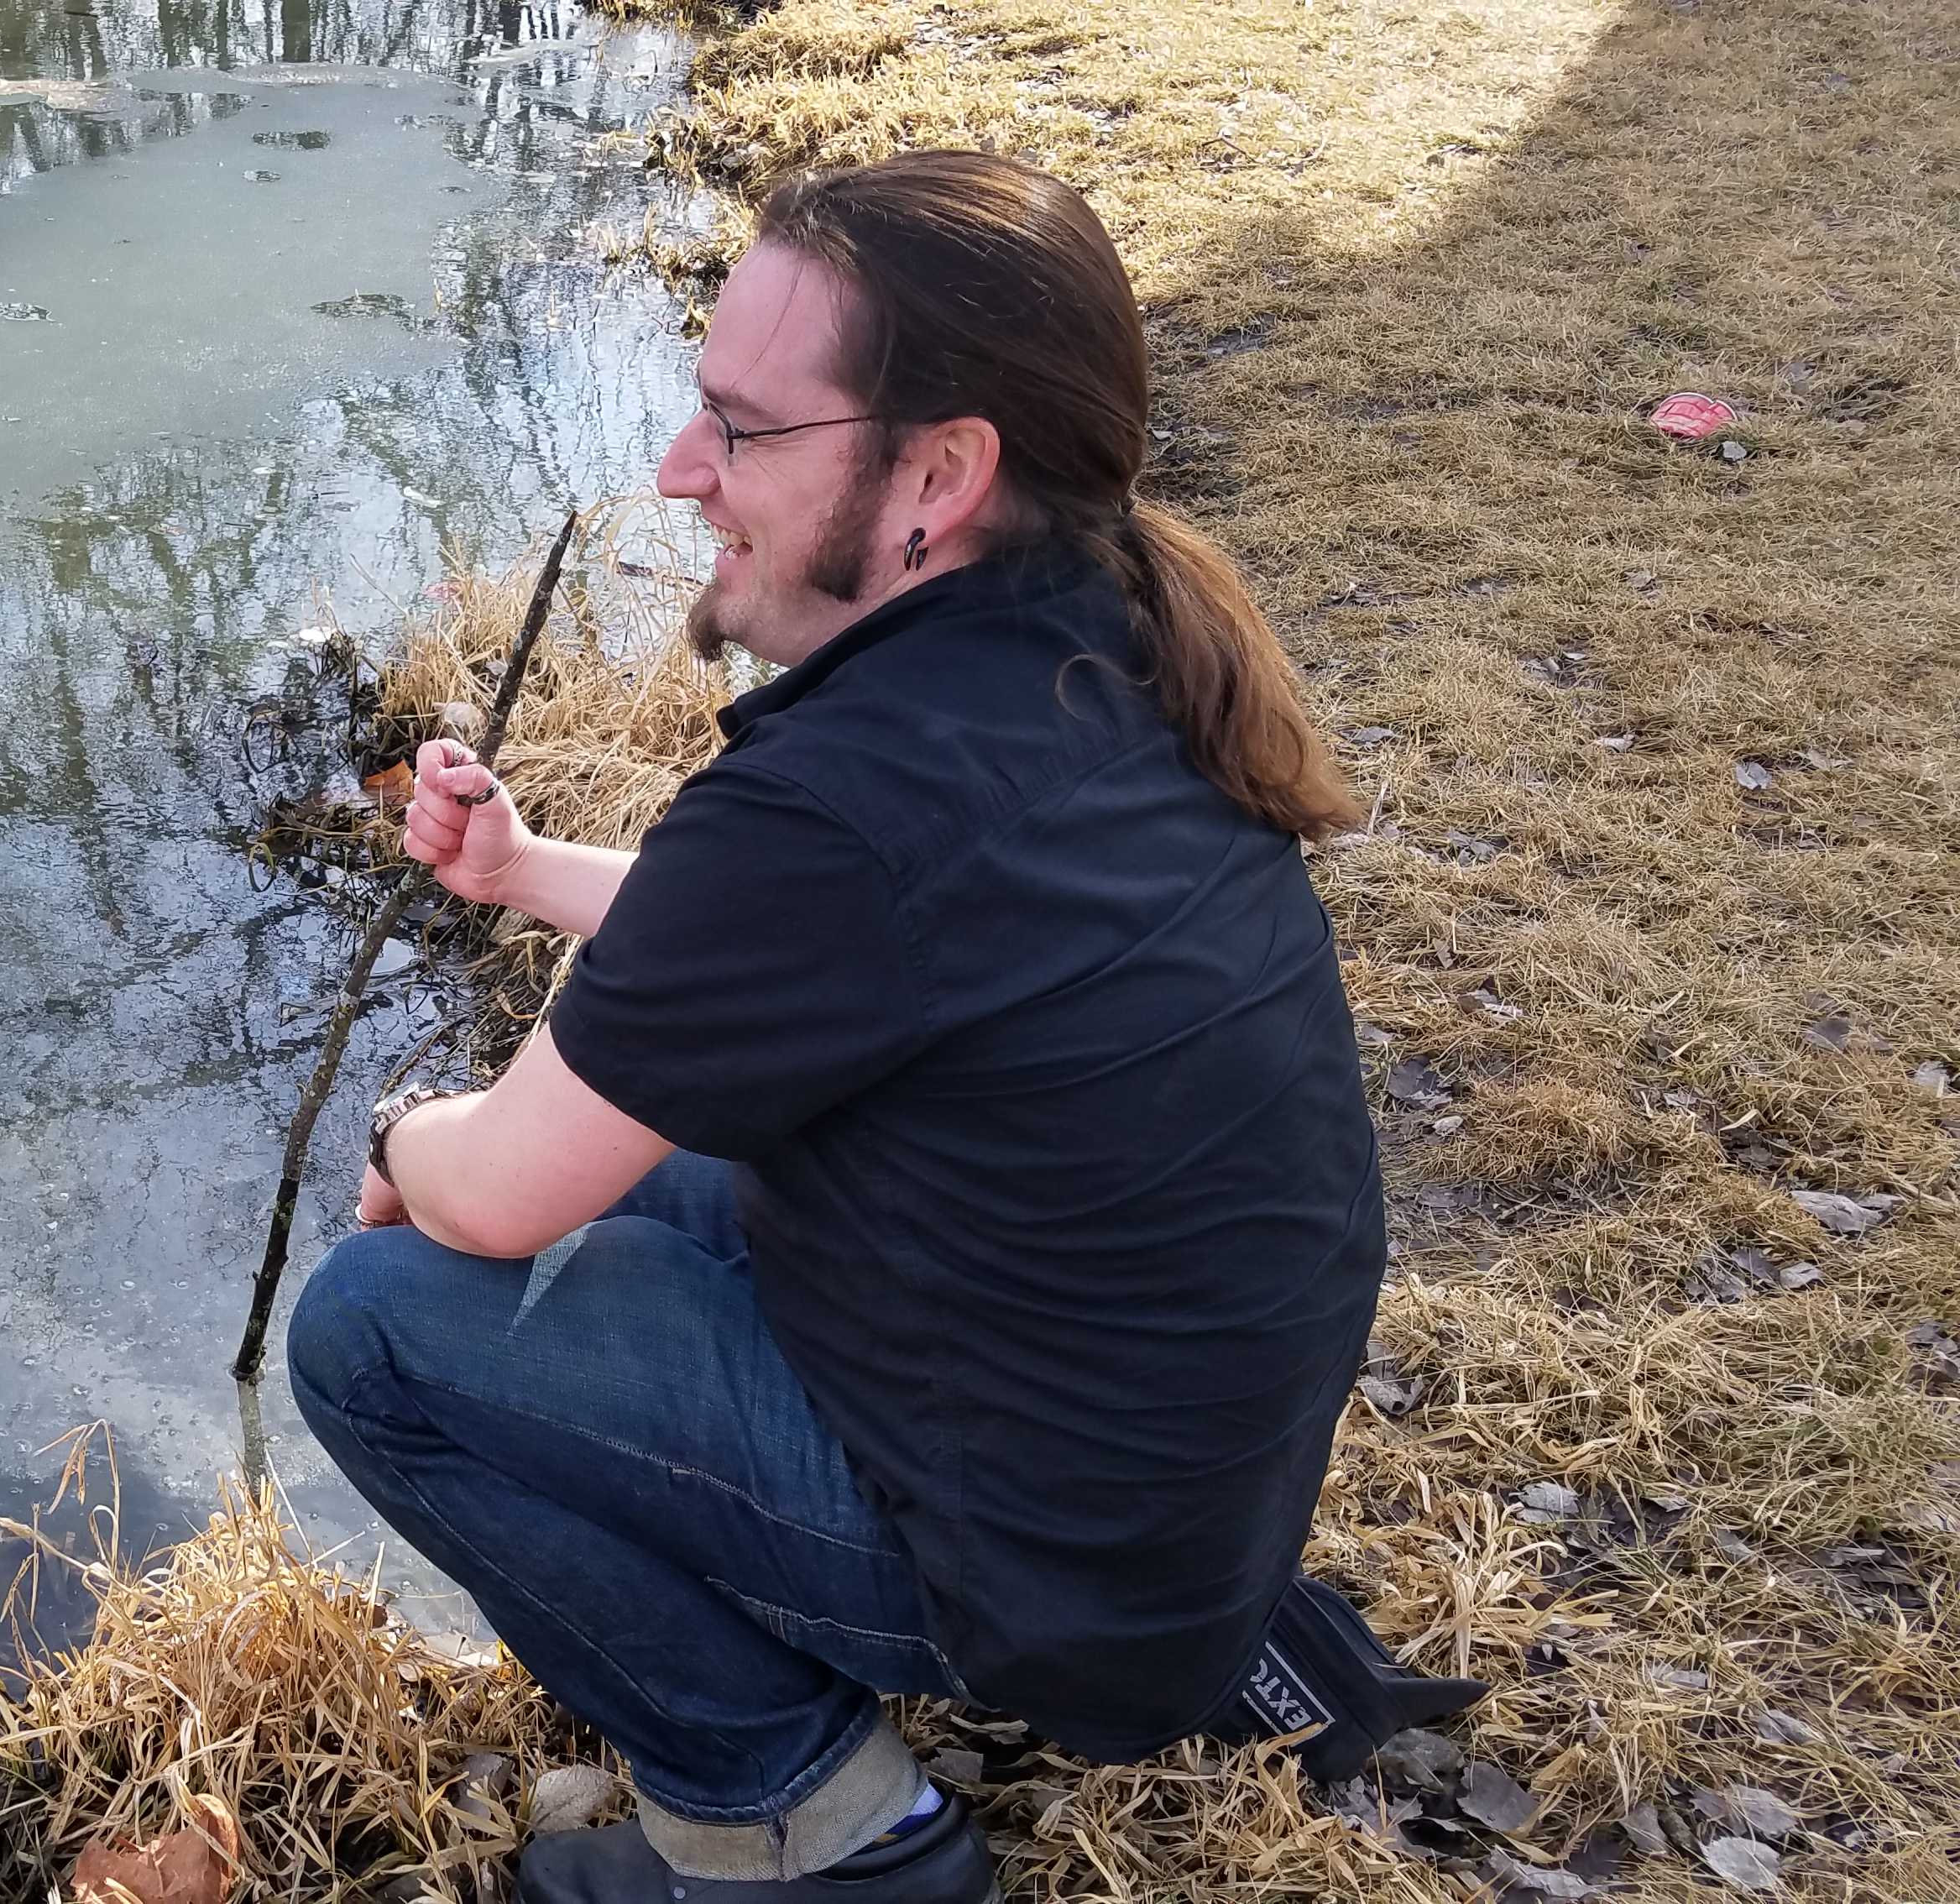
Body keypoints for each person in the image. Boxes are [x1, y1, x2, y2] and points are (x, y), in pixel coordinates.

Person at [285, 151, 1477, 1904]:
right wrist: (526, 873)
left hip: (1053, 1588)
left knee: (376, 1326)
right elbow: (842, 938)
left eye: (742, 429)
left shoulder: (847, 797)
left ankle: (813, 1831)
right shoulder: (1099, 642)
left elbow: (497, 1193)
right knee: (659, 1169)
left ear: (938, 474)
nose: (680, 469)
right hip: (1170, 1526)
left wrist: (407, 1130)